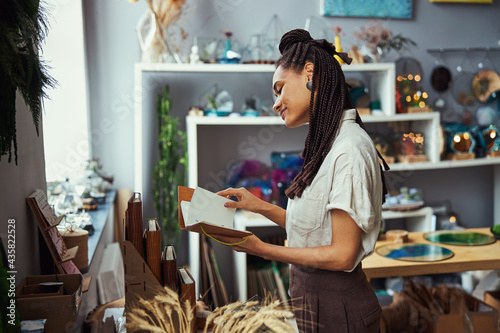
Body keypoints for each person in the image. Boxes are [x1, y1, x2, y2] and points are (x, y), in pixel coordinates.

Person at [214, 28, 389, 333]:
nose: (276, 103)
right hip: (318, 307)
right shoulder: (330, 143)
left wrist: (263, 249)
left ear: (310, 72)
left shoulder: (348, 149)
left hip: (341, 314)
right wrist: (259, 207)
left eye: (280, 89)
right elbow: (317, 231)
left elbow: (343, 254)